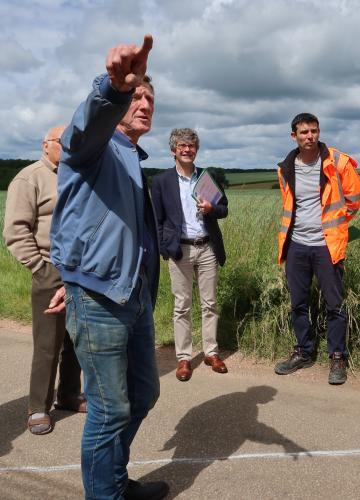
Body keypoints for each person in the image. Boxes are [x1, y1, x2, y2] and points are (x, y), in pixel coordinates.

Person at [47, 35, 168, 499]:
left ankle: (112, 481)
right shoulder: (93, 147)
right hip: (100, 300)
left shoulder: (133, 158)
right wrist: (113, 89)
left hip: (132, 295)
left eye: (149, 99)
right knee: (108, 408)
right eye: (137, 97)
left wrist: (72, 274)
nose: (144, 104)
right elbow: (83, 128)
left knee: (142, 395)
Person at [3, 126, 85, 436]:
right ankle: (38, 407)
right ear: (45, 145)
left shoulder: (78, 173)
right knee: (48, 344)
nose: (67, 147)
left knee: (75, 340)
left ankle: (67, 394)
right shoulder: (29, 178)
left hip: (80, 271)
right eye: (61, 143)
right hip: (49, 268)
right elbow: (15, 231)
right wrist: (40, 268)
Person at [273, 113, 360, 385]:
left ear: (319, 132)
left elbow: (356, 196)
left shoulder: (337, 162)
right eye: (303, 132)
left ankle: (337, 356)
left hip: (327, 246)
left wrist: (337, 226)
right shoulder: (286, 168)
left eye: (314, 131)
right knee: (298, 303)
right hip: (297, 246)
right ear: (294, 136)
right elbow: (290, 206)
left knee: (334, 304)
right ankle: (304, 351)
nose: (309, 136)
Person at [151, 128, 229, 381]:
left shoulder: (206, 177)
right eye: (182, 146)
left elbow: (224, 209)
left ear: (197, 149)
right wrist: (165, 248)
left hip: (207, 246)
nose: (187, 150)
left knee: (210, 303)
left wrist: (211, 208)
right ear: (173, 149)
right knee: (181, 306)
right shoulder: (162, 181)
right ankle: (184, 358)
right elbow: (157, 219)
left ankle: (211, 352)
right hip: (179, 249)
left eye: (192, 146)